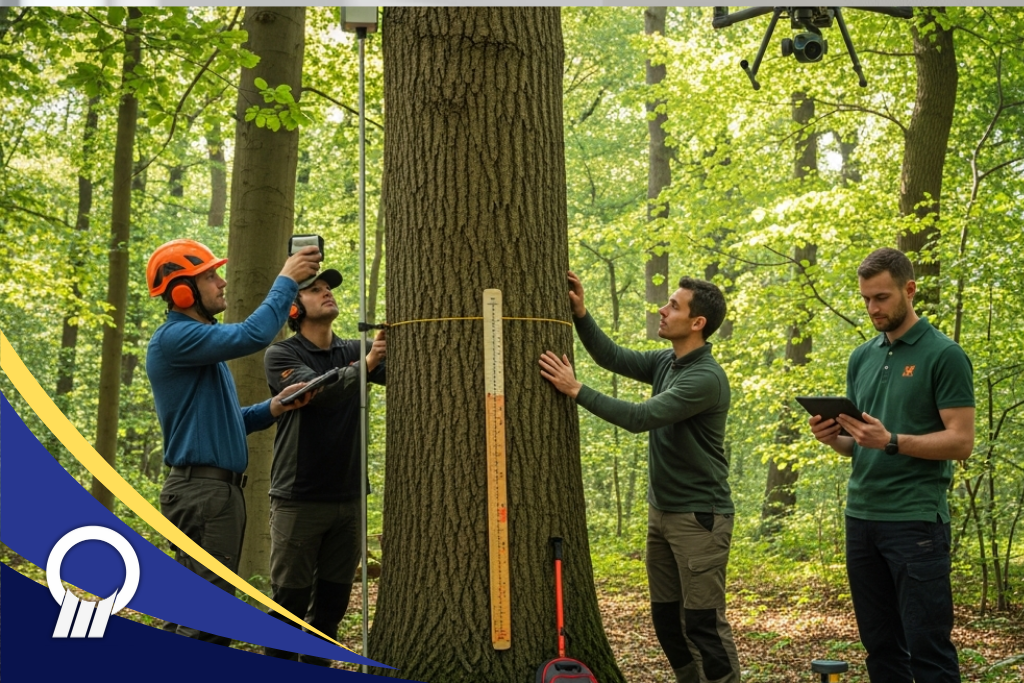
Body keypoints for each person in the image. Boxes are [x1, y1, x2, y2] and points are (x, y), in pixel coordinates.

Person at [539, 271, 740, 683]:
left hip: (700, 519)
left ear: (697, 322)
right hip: (662, 513)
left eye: (674, 306)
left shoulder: (705, 378)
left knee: (703, 623)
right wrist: (581, 314)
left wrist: (577, 390)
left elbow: (639, 417)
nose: (662, 310)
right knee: (667, 621)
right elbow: (612, 357)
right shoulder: (667, 361)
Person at [809, 247, 974, 683]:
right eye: (865, 299)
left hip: (915, 522)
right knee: (881, 649)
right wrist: (837, 440)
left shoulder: (945, 354)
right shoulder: (862, 356)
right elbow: (862, 445)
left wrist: (893, 441)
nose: (872, 308)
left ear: (910, 290)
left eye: (881, 297)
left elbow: (961, 441)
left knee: (928, 649)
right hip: (860, 518)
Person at [146, 238, 322, 647]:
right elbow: (252, 335)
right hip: (205, 494)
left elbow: (227, 423)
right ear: (182, 291)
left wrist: (273, 407)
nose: (222, 282)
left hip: (205, 492)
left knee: (188, 612)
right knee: (210, 618)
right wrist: (286, 280)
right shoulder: (175, 338)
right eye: (210, 276)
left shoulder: (195, 347)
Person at [261, 269, 386, 665]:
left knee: (331, 606)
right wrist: (365, 364)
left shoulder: (353, 349)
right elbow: (315, 393)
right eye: (315, 290)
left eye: (327, 287)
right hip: (298, 498)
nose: (326, 292)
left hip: (348, 498)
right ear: (295, 308)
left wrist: (380, 349)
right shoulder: (282, 354)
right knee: (289, 603)